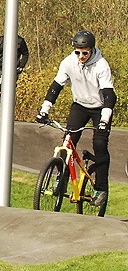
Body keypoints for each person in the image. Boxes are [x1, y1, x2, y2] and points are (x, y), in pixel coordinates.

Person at [35, 30, 116, 206]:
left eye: (85, 52)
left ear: (92, 50)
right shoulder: (68, 62)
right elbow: (56, 87)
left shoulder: (101, 65)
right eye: (77, 52)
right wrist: (44, 110)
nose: (81, 56)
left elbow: (110, 95)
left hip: (100, 108)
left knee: (100, 144)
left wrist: (104, 121)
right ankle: (61, 178)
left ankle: (101, 189)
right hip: (80, 106)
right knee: (68, 140)